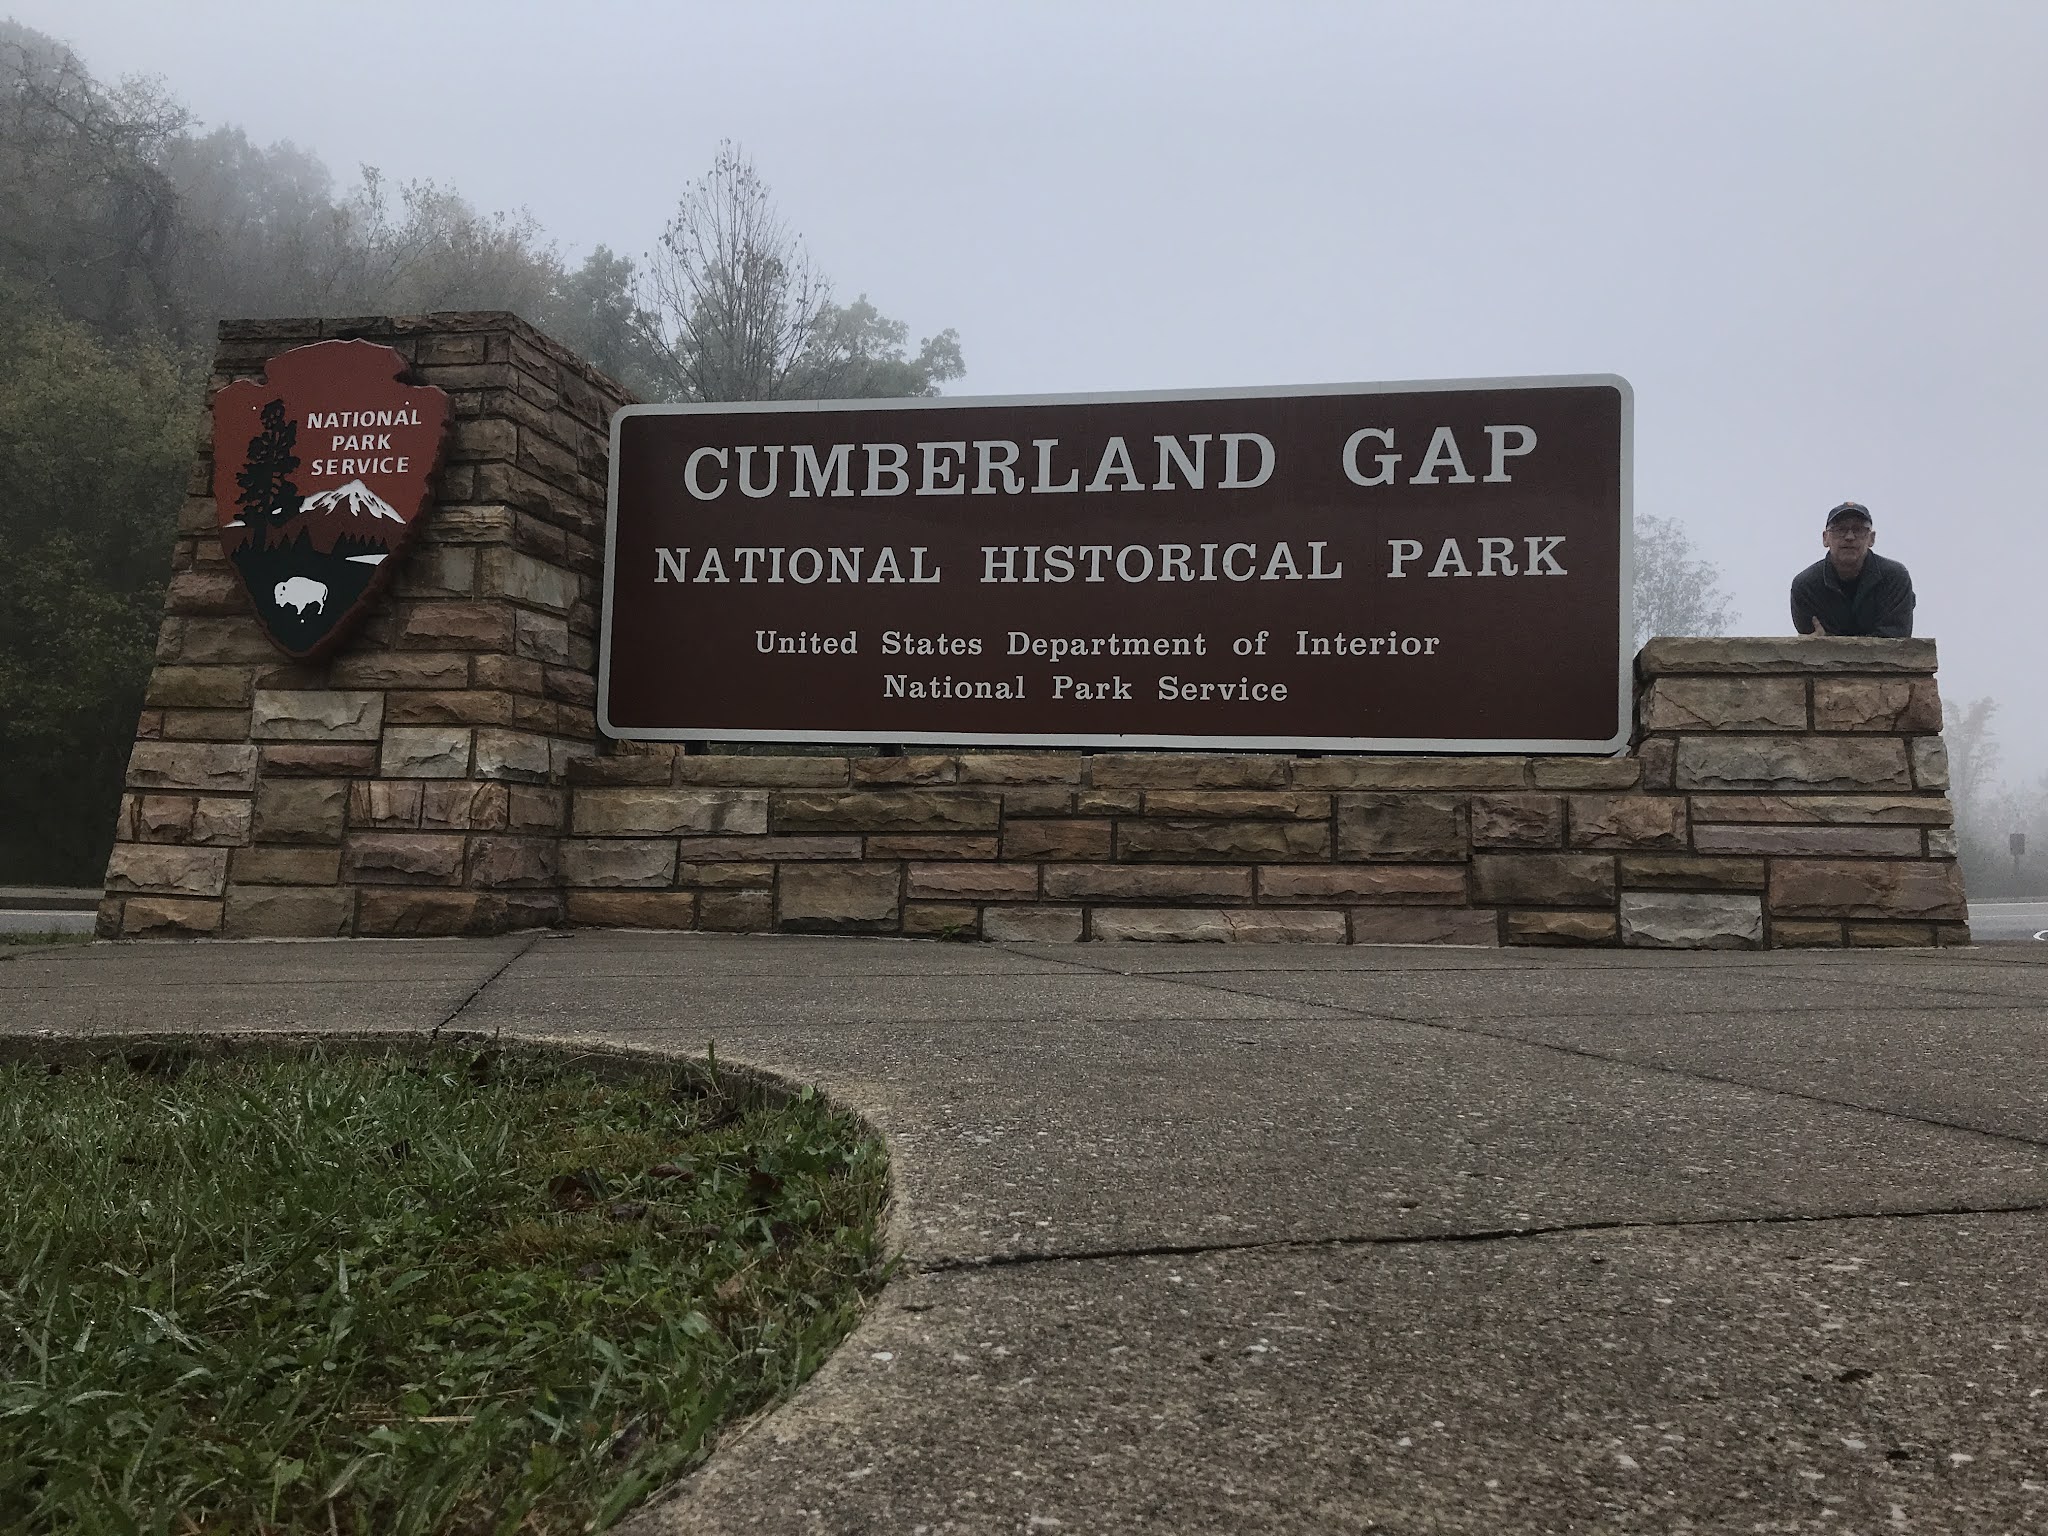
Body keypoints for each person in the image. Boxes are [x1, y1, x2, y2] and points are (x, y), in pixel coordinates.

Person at [1789, 501, 1914, 637]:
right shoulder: (1806, 586)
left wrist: (1830, 642)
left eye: (1858, 530)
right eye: (1840, 530)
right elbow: (1811, 642)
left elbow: (1896, 638)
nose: (1849, 537)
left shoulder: (1895, 578)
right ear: (1825, 538)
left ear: (1871, 539)